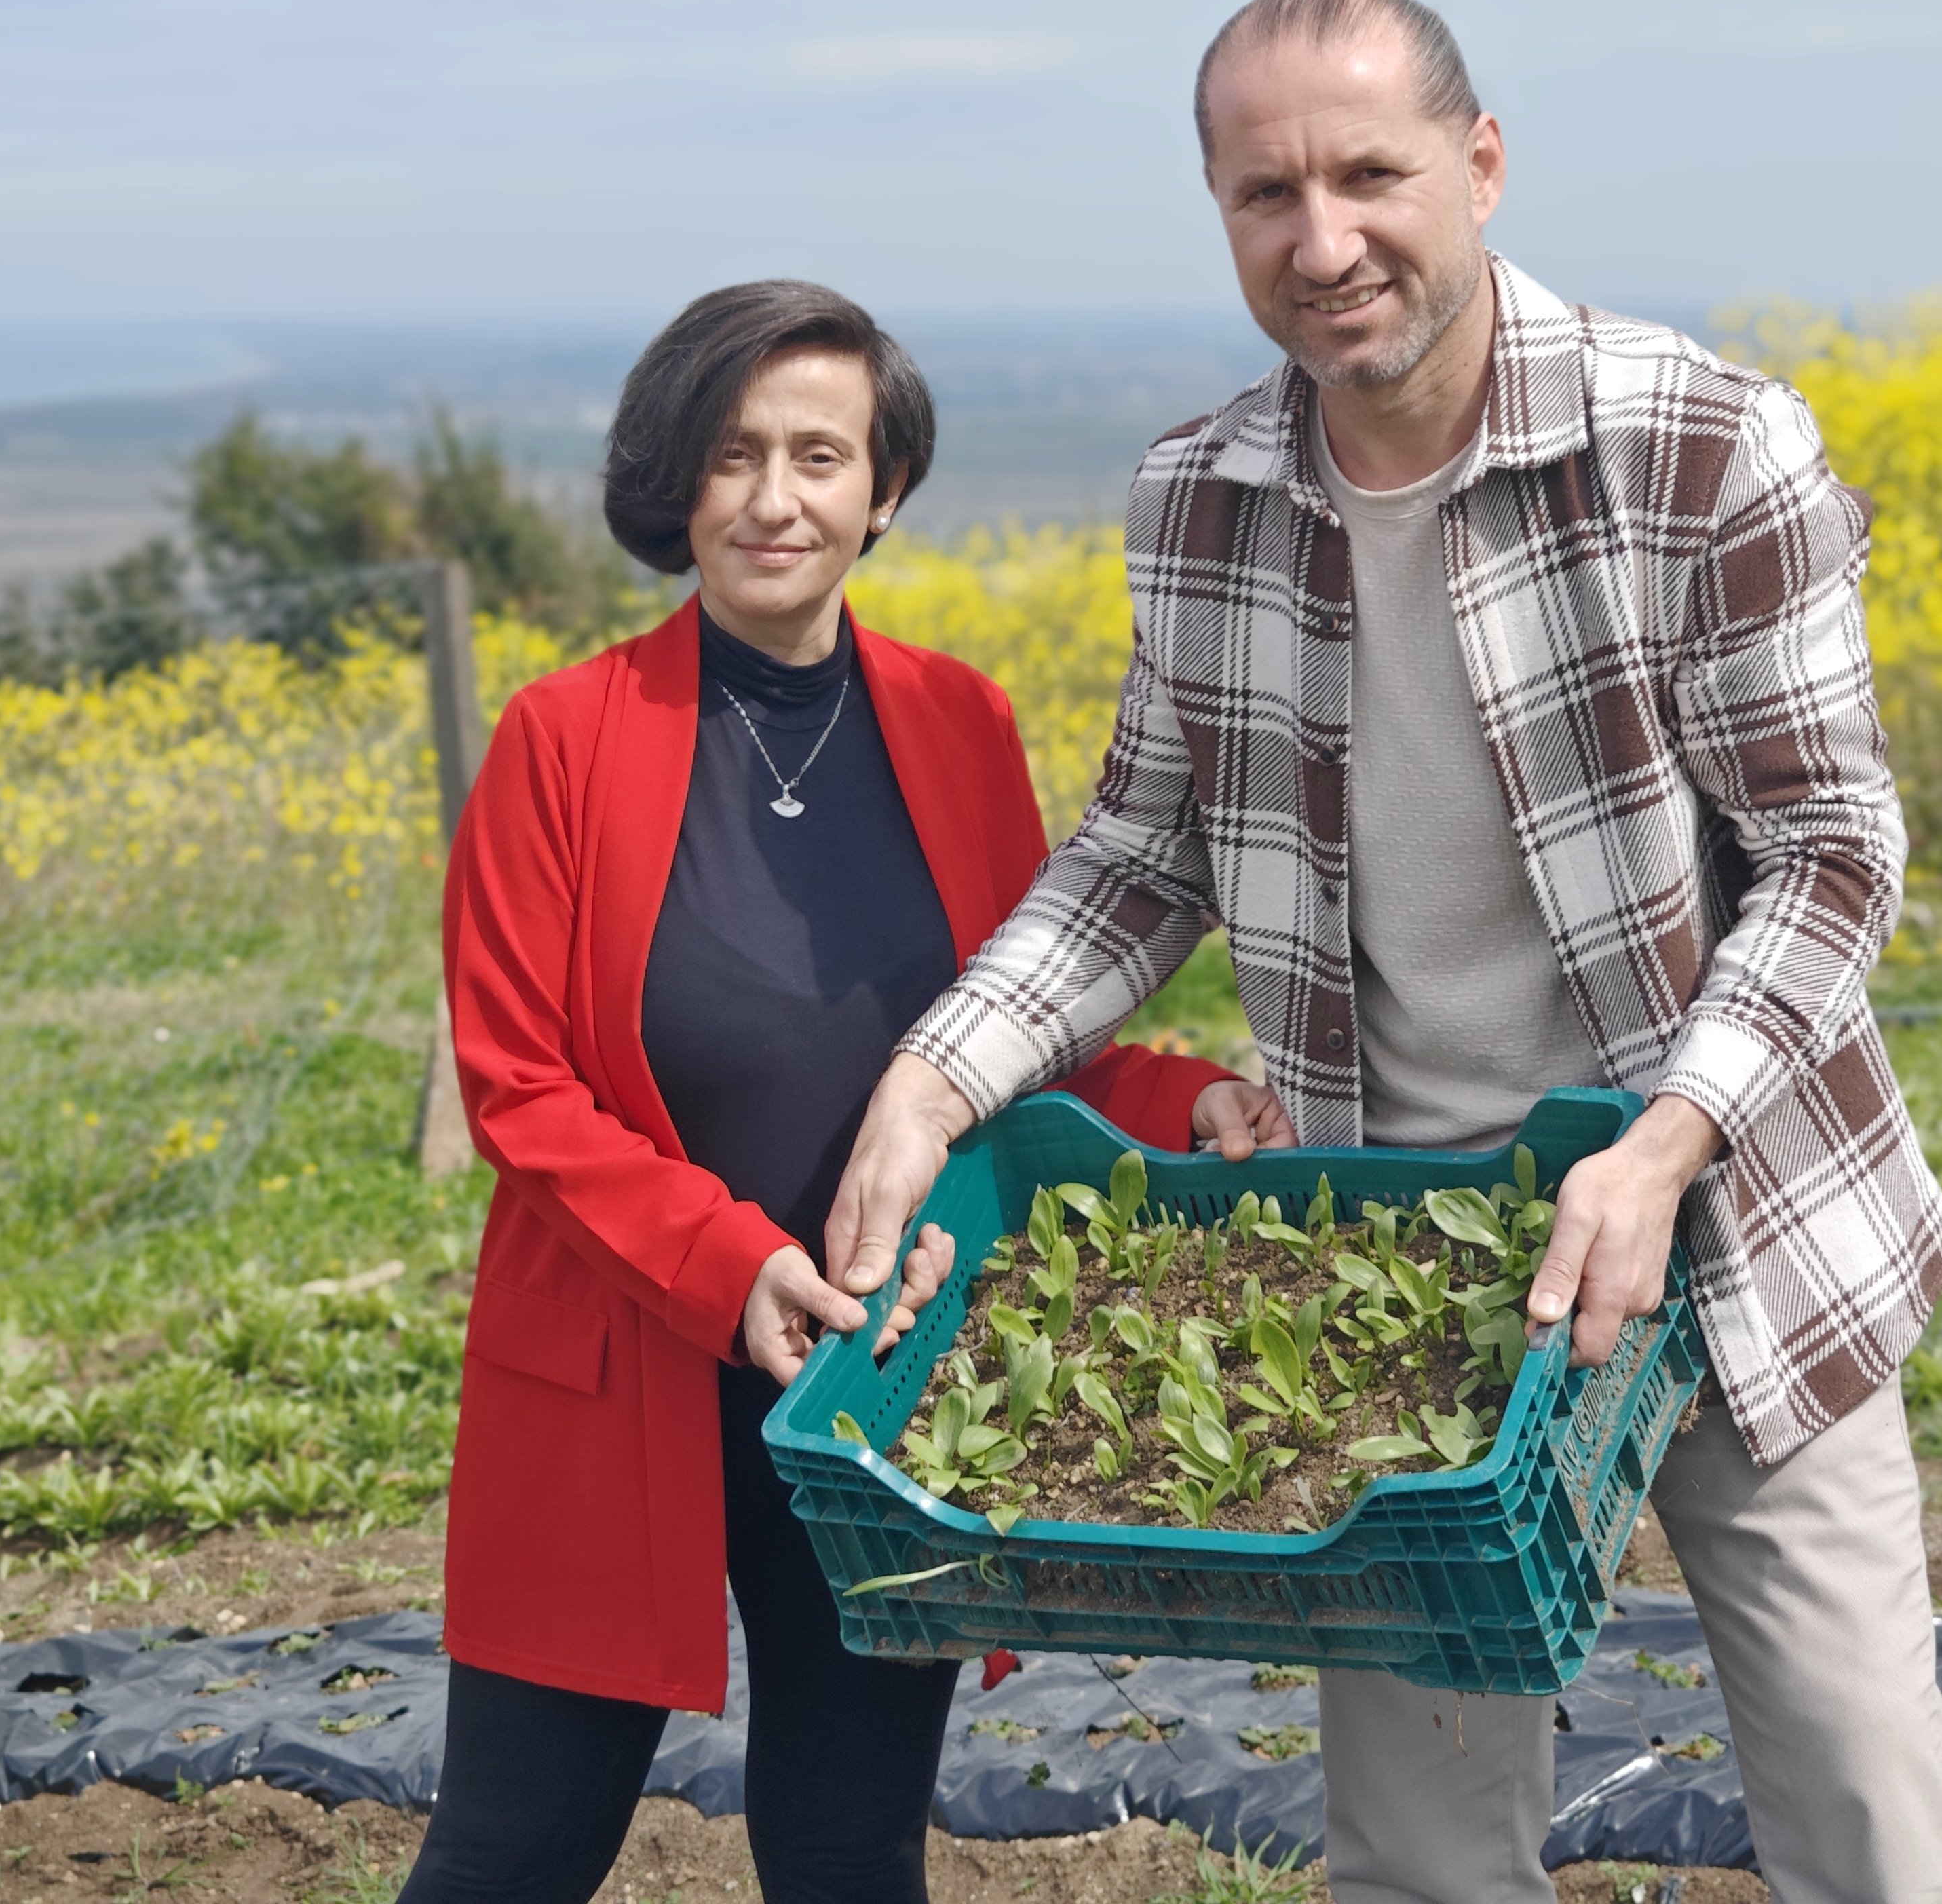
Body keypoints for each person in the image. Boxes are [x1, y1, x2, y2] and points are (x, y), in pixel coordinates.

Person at [829, 0, 1942, 1904]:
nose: (1324, 239)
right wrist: (934, 1076)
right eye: (1265, 193)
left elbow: (1833, 851)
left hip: (1740, 1222)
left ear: (1484, 162)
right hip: (1423, 1273)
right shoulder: (1202, 500)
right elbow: (1139, 856)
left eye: (1369, 173)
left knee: (1864, 1813)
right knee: (1428, 1859)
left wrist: (1661, 1143)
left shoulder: (1699, 447)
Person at [411, 279, 1290, 1904]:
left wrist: (1180, 1106)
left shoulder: (956, 723)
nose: (772, 497)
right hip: (623, 1369)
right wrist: (725, 1263)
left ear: (881, 491)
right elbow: (519, 1089)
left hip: (884, 1376)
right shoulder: (560, 739)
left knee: (848, 1844)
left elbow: (1020, 1034)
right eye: (732, 454)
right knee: (516, 1848)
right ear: (676, 483)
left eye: (819, 455)